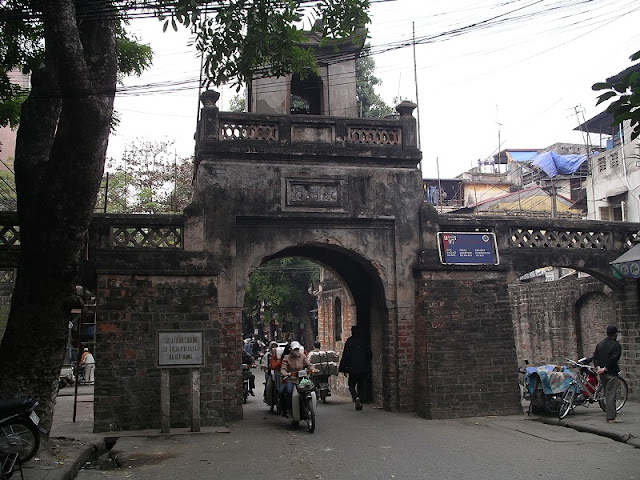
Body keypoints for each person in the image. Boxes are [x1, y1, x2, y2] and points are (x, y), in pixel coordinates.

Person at [587, 325, 622, 423]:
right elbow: (614, 358)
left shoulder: (600, 344)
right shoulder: (616, 345)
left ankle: (611, 415)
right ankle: (611, 417)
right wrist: (605, 368)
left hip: (601, 373)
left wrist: (598, 367)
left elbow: (595, 357)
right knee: (611, 395)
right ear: (615, 334)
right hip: (611, 372)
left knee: (607, 393)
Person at [338, 325, 372, 411]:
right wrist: (366, 363)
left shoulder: (349, 342)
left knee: (351, 385)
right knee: (361, 385)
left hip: (352, 368)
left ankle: (355, 397)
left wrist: (343, 368)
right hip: (363, 368)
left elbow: (345, 355)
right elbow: (370, 354)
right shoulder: (364, 341)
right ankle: (360, 400)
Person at [279, 341, 313, 418]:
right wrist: (286, 374)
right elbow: (283, 369)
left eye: (297, 349)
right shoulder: (286, 358)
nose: (296, 351)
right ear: (291, 350)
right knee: (288, 391)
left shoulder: (302, 356)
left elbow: (308, 364)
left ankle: (308, 406)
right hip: (291, 379)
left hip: (302, 379)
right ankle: (289, 408)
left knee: (311, 389)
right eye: (295, 349)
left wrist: (313, 369)